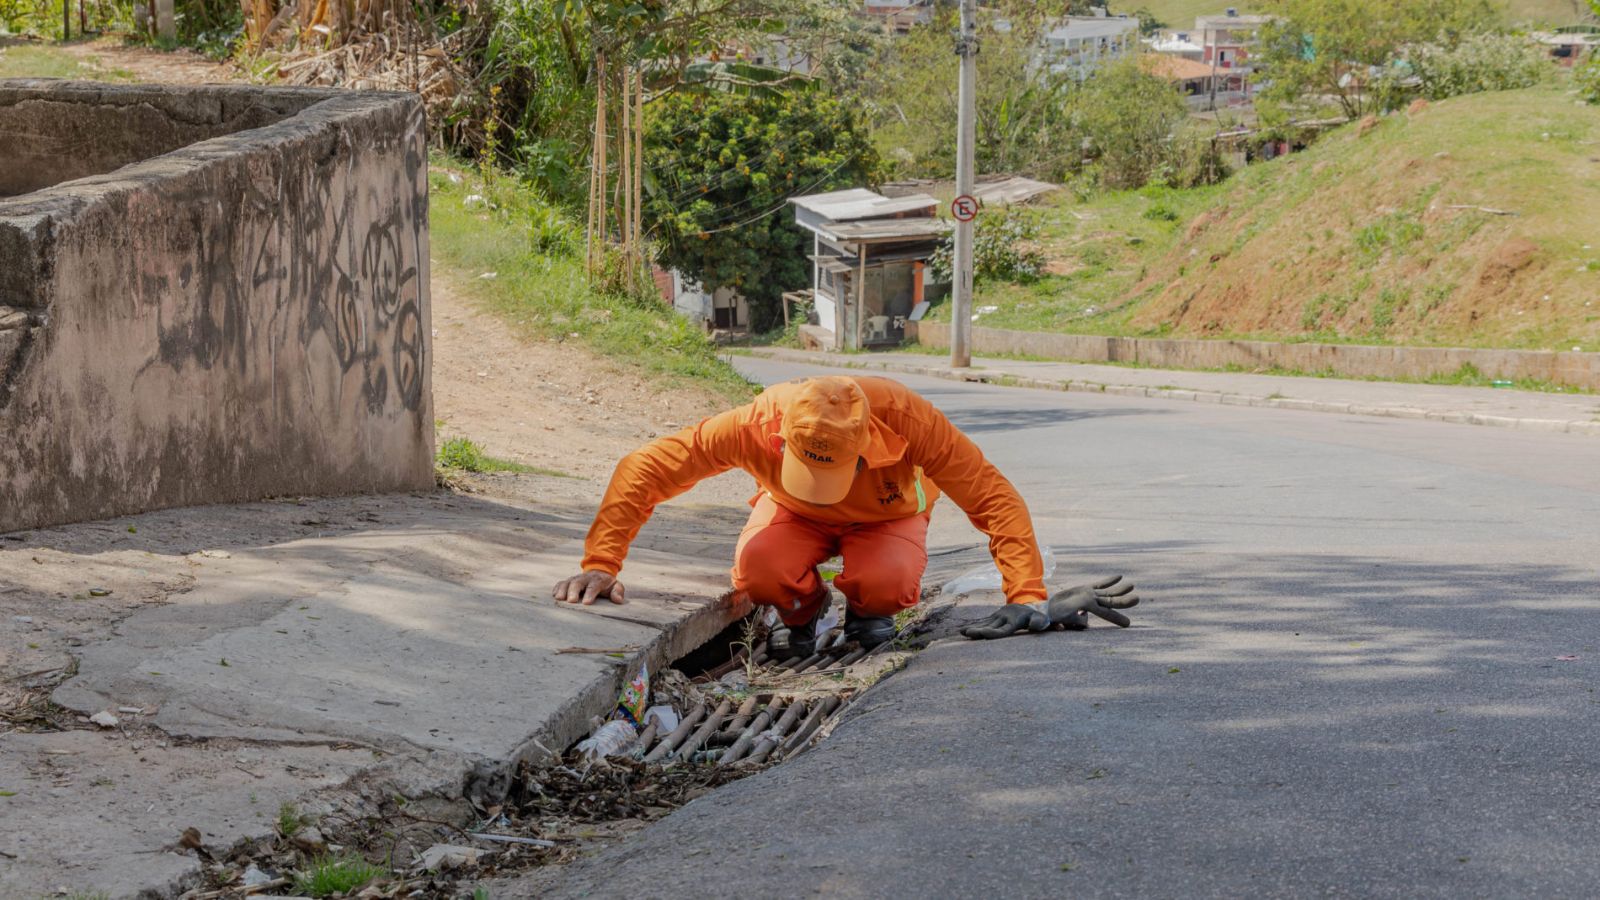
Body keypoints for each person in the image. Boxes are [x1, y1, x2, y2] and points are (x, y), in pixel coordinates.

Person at [552, 374, 1137, 657]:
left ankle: (864, 610)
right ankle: (807, 612)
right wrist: (603, 561)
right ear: (782, 439)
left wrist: (1026, 593)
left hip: (887, 518)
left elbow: (991, 495)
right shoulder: (754, 423)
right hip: (790, 513)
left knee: (885, 584)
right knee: (759, 571)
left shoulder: (907, 418)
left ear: (866, 440)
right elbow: (646, 467)